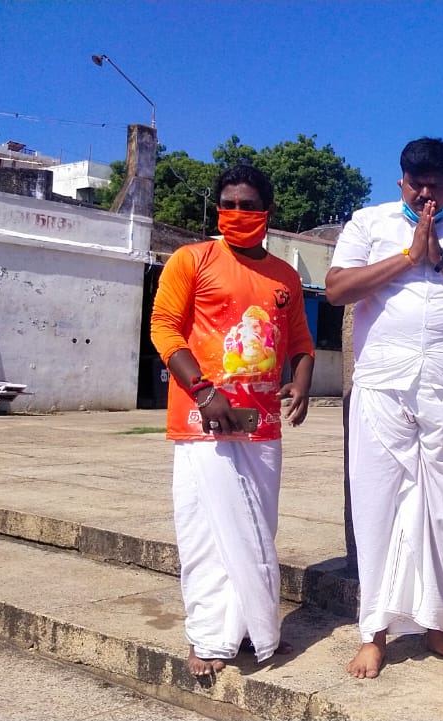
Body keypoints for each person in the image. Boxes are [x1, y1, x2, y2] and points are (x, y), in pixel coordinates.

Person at [325, 137, 443, 680]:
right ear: (401, 182)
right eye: (416, 184)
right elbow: (337, 288)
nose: (425, 194)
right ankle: (374, 634)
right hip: (383, 385)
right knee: (377, 505)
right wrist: (408, 256)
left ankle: (438, 627)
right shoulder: (368, 223)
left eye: (435, 186)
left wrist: (441, 260)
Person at [150, 164, 316, 677]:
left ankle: (252, 632)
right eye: (229, 204)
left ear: (266, 211)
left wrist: (302, 381)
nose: (238, 214)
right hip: (205, 423)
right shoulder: (192, 260)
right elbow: (164, 329)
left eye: (248, 205)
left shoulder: (285, 277)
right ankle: (207, 638)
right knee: (207, 531)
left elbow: (301, 345)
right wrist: (203, 391)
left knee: (255, 532)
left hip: (262, 424)